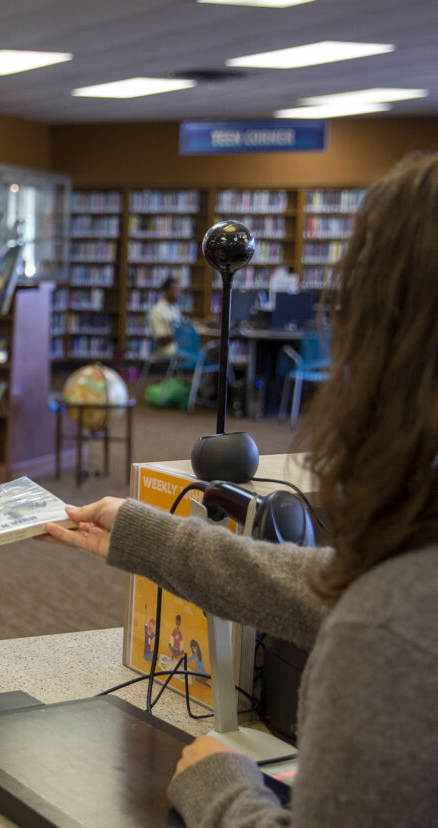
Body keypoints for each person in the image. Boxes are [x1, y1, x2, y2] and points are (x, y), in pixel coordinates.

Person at [45, 152, 438, 826]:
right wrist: (148, 535)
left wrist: (220, 784)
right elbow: (327, 584)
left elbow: (370, 608)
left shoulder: (391, 635)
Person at [146, 276, 183, 356]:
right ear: (166, 291)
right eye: (176, 290)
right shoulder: (156, 311)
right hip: (168, 350)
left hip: (179, 346)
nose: (179, 293)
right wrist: (180, 333)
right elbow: (161, 339)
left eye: (180, 290)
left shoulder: (174, 308)